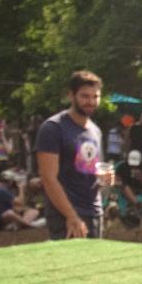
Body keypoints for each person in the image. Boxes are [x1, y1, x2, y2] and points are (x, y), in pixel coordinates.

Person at [36, 70, 110, 240]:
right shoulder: (53, 128)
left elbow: (93, 171)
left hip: (94, 212)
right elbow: (48, 178)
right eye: (85, 96)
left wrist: (106, 179)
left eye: (95, 97)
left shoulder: (95, 130)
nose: (90, 101)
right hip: (66, 215)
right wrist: (71, 216)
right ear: (71, 95)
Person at [116, 150, 142, 216]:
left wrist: (141, 177)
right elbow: (117, 181)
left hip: (141, 189)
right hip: (128, 190)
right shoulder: (122, 167)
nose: (133, 166)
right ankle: (137, 204)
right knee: (124, 186)